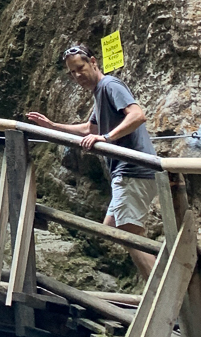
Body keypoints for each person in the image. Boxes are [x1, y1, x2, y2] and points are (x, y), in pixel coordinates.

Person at [26, 42, 158, 278]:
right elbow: (90, 128)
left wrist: (106, 138)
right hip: (126, 172)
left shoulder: (110, 85)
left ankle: (166, 292)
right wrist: (52, 126)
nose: (78, 75)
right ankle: (164, 279)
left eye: (80, 68)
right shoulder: (99, 93)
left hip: (133, 169)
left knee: (129, 233)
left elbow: (138, 115)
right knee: (112, 228)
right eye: (72, 72)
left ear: (93, 62)